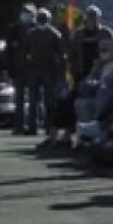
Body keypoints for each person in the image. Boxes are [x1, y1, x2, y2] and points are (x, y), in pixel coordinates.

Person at [20, 9, 68, 138]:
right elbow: (24, 52)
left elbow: (62, 55)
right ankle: (36, 127)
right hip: (36, 70)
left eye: (43, 18)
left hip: (48, 70)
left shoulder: (53, 34)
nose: (42, 21)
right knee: (35, 100)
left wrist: (61, 72)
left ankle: (47, 126)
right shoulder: (34, 34)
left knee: (46, 100)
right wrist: (25, 67)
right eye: (40, 18)